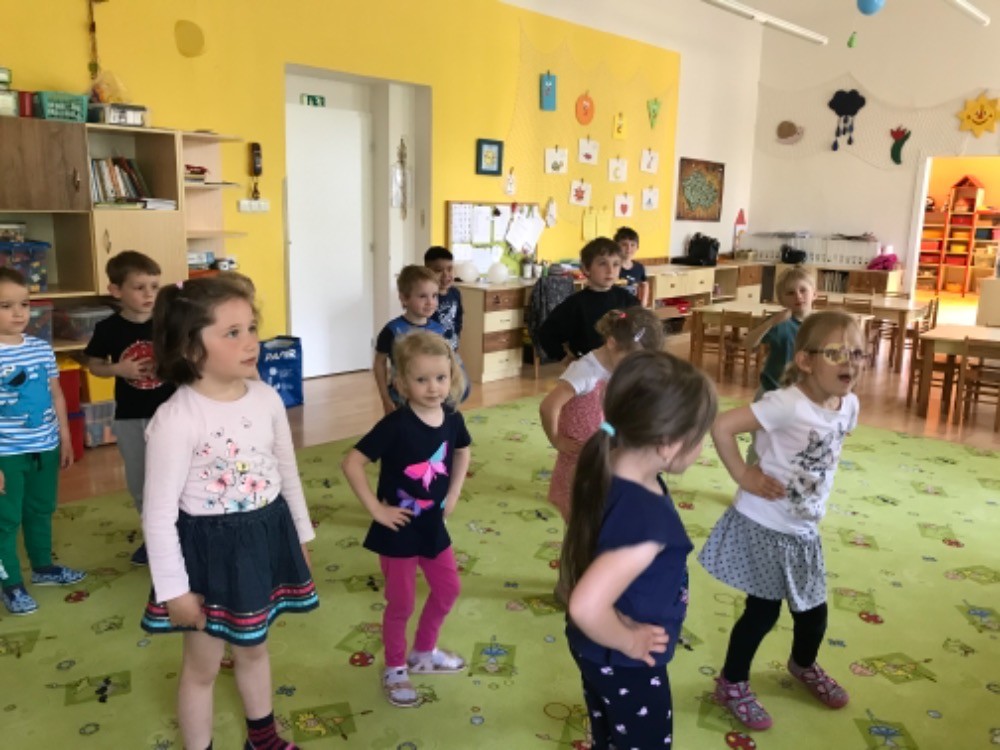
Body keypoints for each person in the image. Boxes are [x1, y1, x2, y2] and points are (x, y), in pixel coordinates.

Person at [139, 276, 317, 750]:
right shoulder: (176, 419)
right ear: (191, 348)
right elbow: (158, 516)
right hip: (209, 556)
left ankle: (263, 739)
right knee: (202, 667)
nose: (251, 342)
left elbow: (286, 470)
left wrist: (301, 535)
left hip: (263, 539)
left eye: (252, 328)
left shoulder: (266, 397)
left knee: (254, 648)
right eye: (232, 333)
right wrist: (174, 590)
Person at [699, 311, 862, 731]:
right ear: (805, 360)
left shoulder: (849, 405)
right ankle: (731, 683)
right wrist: (743, 474)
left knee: (814, 612)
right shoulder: (786, 403)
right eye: (836, 353)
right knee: (762, 612)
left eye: (857, 353)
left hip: (803, 529)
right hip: (764, 523)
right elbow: (722, 427)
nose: (850, 362)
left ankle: (802, 664)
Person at [563, 350, 718, 749]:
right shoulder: (647, 525)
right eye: (699, 437)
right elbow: (586, 606)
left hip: (597, 649)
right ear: (667, 444)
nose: (702, 447)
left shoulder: (609, 459)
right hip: (624, 659)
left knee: (610, 731)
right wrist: (628, 640)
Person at [342, 331, 471, 708]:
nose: (433, 387)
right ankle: (395, 667)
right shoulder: (395, 425)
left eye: (441, 377)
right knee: (401, 603)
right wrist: (376, 509)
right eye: (421, 379)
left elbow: (462, 451)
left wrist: (454, 492)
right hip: (397, 530)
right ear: (400, 383)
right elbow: (352, 463)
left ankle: (423, 652)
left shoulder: (451, 417)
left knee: (448, 590)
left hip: (432, 526)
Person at [0, 268, 85, 616]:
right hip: (6, 454)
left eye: (24, 304)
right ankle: (10, 584)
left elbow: (57, 395)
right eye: (5, 306)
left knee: (40, 508)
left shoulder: (40, 348)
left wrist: (64, 437)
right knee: (6, 519)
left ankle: (43, 567)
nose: (18, 313)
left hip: (44, 446)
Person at [84, 251, 175, 566]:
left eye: (154, 286)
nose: (149, 294)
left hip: (173, 415)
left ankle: (183, 534)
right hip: (130, 417)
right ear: (116, 290)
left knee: (178, 478)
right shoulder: (108, 329)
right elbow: (95, 365)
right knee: (141, 483)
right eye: (139, 287)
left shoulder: (168, 324)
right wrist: (118, 370)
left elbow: (188, 357)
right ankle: (154, 538)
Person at [539, 306, 664, 522]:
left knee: (600, 511)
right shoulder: (584, 372)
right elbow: (548, 406)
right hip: (579, 457)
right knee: (577, 515)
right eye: (632, 360)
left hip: (603, 450)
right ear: (612, 343)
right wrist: (556, 439)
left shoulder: (619, 367)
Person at [537, 237, 640, 361]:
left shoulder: (626, 298)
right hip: (589, 365)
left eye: (616, 264)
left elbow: (641, 328)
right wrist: (564, 358)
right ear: (586, 268)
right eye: (603, 264)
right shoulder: (575, 304)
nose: (610, 270)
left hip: (622, 364)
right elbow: (546, 334)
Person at [373, 265, 445, 415]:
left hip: (433, 396)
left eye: (434, 295)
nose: (430, 302)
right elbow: (379, 363)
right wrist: (385, 398)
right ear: (404, 298)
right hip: (401, 399)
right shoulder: (392, 330)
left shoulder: (440, 330)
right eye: (422, 296)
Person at [743, 266, 817, 395]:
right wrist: (770, 323)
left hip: (804, 391)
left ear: (814, 294)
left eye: (803, 290)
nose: (798, 296)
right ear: (781, 300)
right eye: (790, 293)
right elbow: (748, 343)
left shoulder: (821, 324)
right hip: (772, 389)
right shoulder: (780, 323)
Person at [424, 246, 463, 351]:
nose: (446, 275)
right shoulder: (426, 297)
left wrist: (456, 340)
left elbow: (458, 319)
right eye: (438, 270)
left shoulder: (455, 293)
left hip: (451, 348)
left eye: (450, 269)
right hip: (432, 350)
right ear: (427, 271)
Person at [614, 226, 650, 307]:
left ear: (637, 247)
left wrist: (643, 302)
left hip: (633, 308)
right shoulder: (612, 267)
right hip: (615, 308)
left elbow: (644, 284)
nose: (628, 248)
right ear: (616, 247)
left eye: (632, 245)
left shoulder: (639, 267)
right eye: (624, 244)